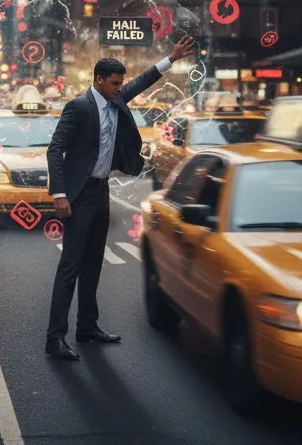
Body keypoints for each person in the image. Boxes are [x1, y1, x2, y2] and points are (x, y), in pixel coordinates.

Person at [44, 35, 196, 361]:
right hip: (78, 195)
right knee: (70, 266)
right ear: (98, 80)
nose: (119, 87)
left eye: (120, 83)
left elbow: (143, 80)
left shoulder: (117, 99)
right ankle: (55, 338)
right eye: (114, 82)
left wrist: (171, 58)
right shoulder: (80, 107)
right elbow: (56, 149)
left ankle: (87, 327)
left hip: (100, 192)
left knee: (94, 265)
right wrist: (60, 194)